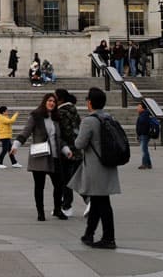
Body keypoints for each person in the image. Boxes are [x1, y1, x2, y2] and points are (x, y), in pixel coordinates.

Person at [11, 93, 74, 221]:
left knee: (59, 185)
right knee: (39, 186)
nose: (52, 103)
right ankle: (40, 212)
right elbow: (26, 132)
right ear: (44, 101)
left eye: (54, 102)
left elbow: (59, 139)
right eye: (49, 101)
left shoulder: (56, 118)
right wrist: (16, 145)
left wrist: (66, 150)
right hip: (40, 156)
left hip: (55, 156)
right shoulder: (36, 116)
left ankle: (57, 209)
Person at [70, 87, 121, 248]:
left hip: (95, 168)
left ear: (90, 102)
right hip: (108, 164)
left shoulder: (89, 121)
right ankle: (89, 234)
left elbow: (79, 144)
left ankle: (108, 238)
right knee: (99, 202)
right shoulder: (109, 118)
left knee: (102, 203)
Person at [54, 89, 82, 216]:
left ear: (60, 99)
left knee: (66, 179)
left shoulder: (61, 112)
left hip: (67, 151)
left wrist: (65, 147)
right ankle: (65, 204)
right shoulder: (74, 110)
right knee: (73, 178)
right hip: (77, 149)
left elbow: (65, 132)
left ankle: (67, 205)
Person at [135, 103, 155, 170]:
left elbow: (143, 124)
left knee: (144, 150)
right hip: (142, 134)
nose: (137, 108)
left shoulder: (145, 115)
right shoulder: (142, 114)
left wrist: (141, 133)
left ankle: (144, 164)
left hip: (144, 134)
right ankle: (149, 164)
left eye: (138, 107)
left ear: (142, 108)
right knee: (145, 149)